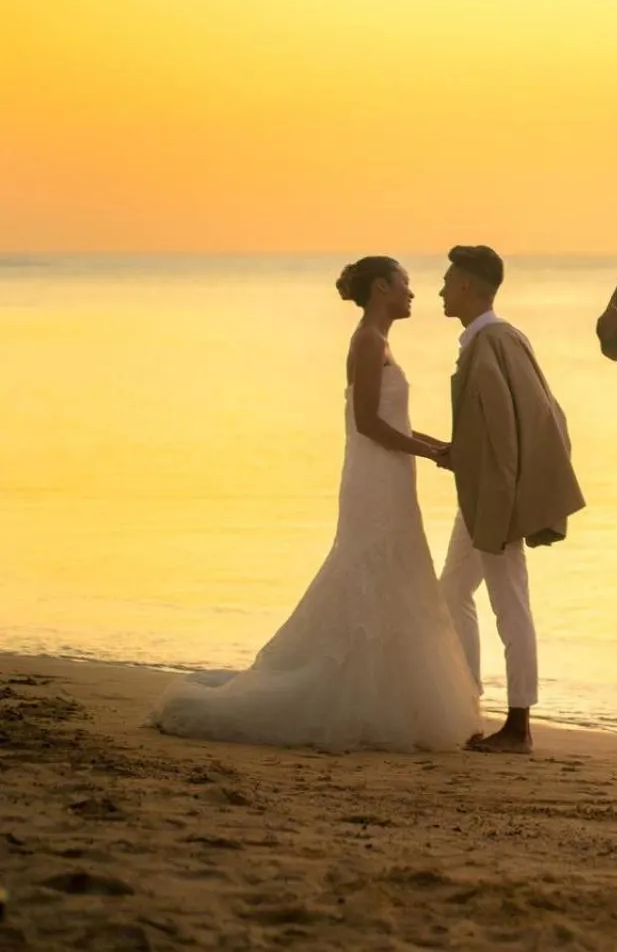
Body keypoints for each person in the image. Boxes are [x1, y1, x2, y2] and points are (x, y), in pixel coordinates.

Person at [147, 257, 481, 751]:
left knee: (396, 575)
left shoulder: (381, 342)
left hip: (389, 472)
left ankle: (388, 693)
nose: (413, 293)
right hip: (374, 478)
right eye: (405, 284)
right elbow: (367, 422)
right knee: (369, 568)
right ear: (382, 287)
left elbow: (392, 423)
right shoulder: (367, 340)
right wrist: (431, 452)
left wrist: (440, 448)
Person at [436, 244, 585, 753]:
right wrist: (458, 453)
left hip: (493, 499)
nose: (440, 290)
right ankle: (467, 701)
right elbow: (543, 416)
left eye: (448, 282)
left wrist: (501, 507)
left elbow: (511, 430)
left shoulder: (491, 343)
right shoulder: (501, 338)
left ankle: (518, 723)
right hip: (480, 493)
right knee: (451, 593)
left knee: (509, 603)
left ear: (469, 289)